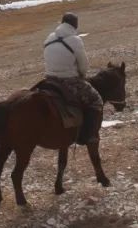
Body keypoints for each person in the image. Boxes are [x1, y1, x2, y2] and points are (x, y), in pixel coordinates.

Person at [43, 12, 103, 145]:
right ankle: (90, 135)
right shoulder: (75, 40)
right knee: (96, 100)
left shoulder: (49, 37)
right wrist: (82, 75)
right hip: (68, 80)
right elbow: (84, 65)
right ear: (75, 25)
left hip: (48, 79)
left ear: (62, 22)